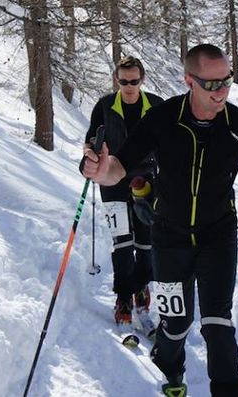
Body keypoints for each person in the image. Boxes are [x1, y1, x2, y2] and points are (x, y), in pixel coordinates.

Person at [82, 44, 238, 397]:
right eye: (212, 84)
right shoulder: (162, 118)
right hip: (168, 238)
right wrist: (99, 170)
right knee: (175, 325)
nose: (221, 91)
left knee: (218, 324)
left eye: (227, 81)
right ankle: (171, 371)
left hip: (218, 237)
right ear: (189, 80)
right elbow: (118, 168)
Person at [84, 55, 163, 327]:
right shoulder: (105, 106)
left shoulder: (156, 105)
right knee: (122, 242)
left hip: (145, 181)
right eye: (124, 81)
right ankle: (123, 297)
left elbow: (169, 145)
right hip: (112, 181)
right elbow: (90, 140)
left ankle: (141, 287)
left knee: (145, 242)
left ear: (142, 80)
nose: (129, 87)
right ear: (116, 80)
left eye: (134, 81)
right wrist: (91, 154)